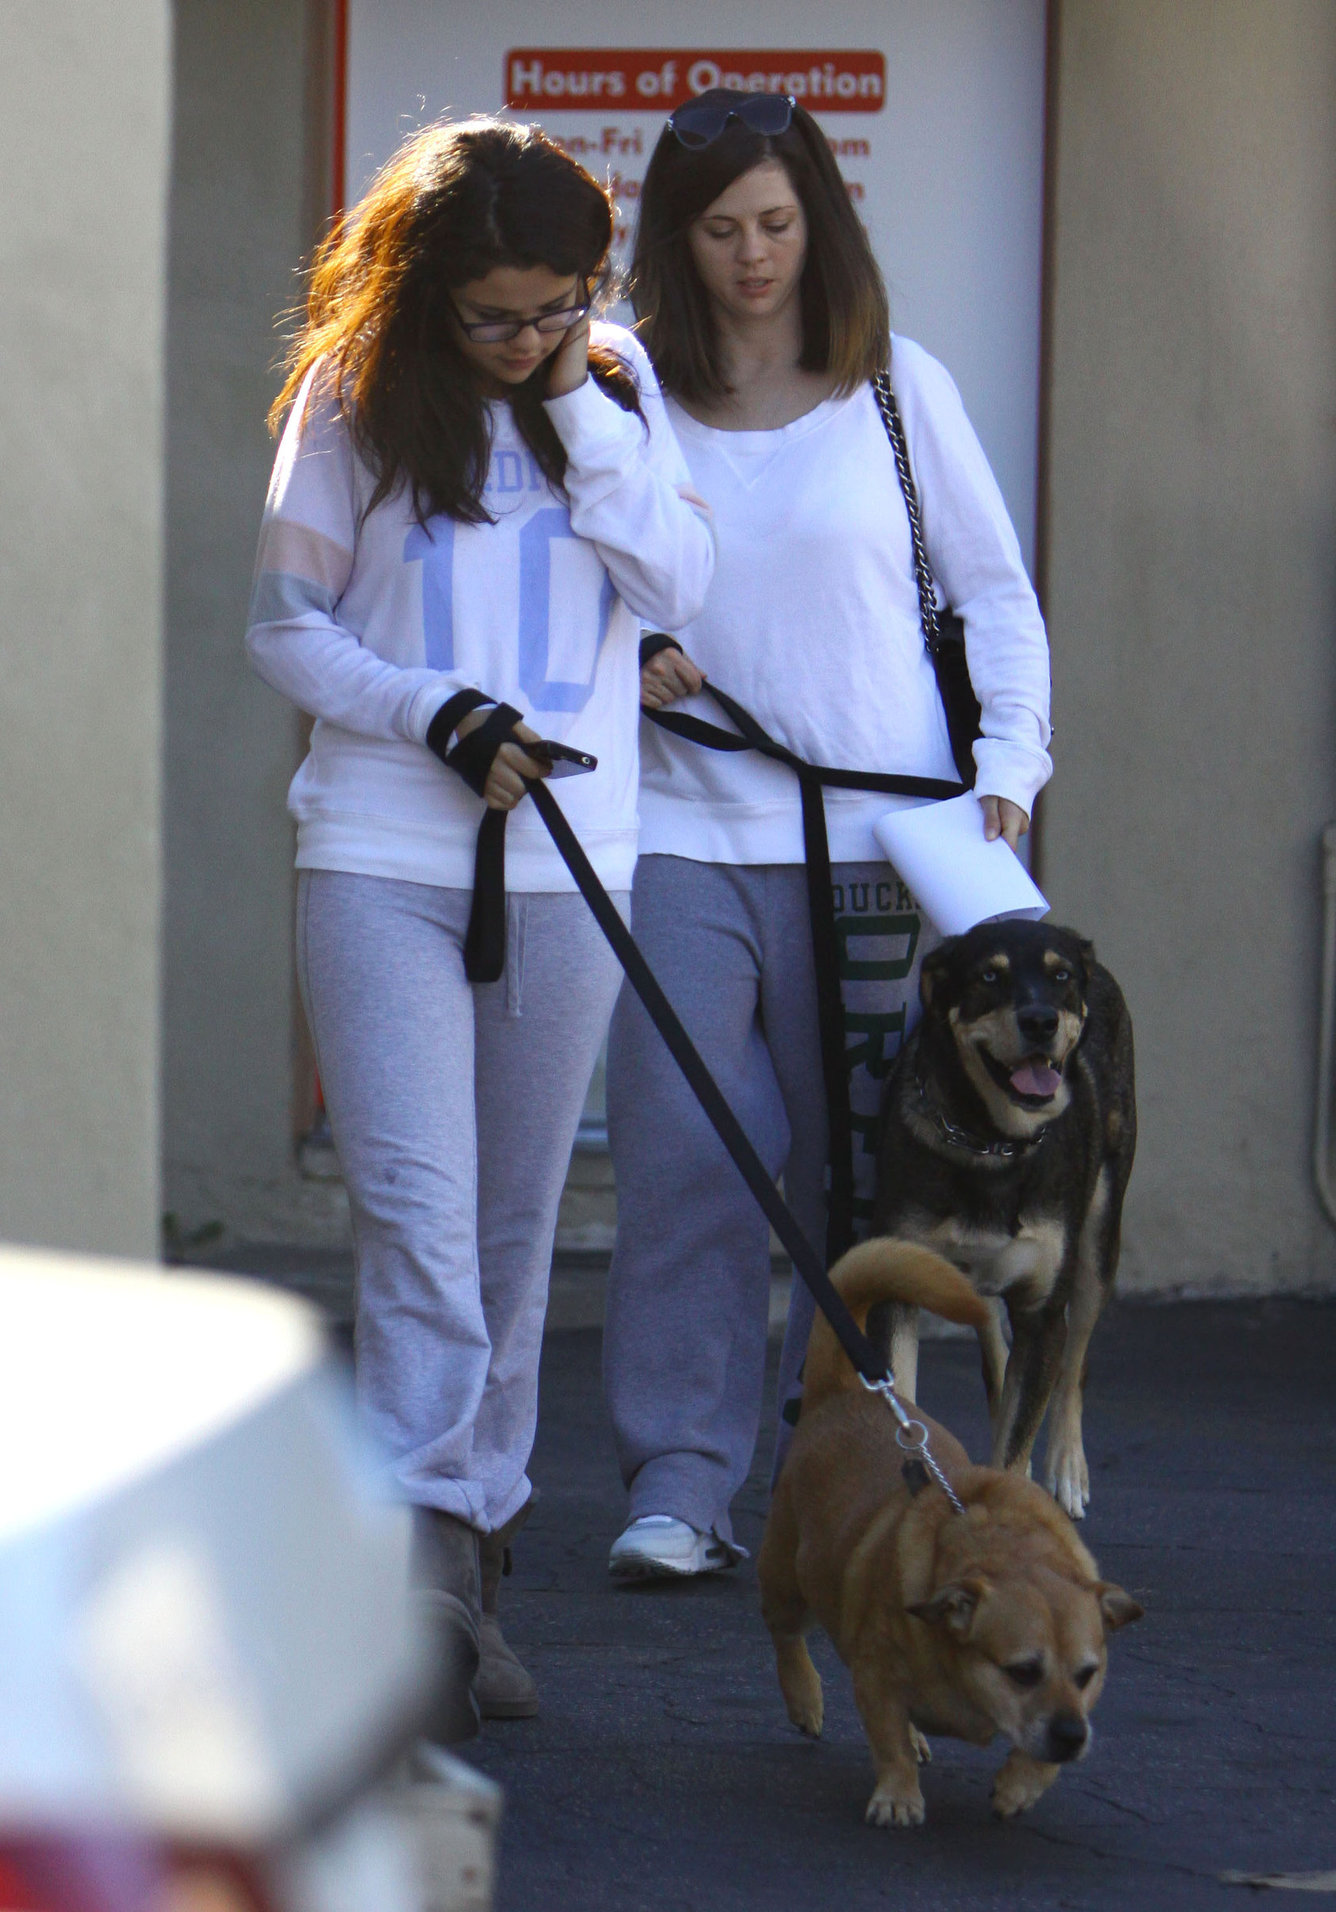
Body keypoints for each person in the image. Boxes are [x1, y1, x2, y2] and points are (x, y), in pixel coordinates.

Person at [246, 118, 713, 1734]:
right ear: (426, 287)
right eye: (495, 316)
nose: (526, 338)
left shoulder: (618, 387)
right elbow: (285, 626)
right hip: (382, 852)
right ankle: (418, 1573)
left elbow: (679, 583)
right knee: (418, 1220)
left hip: (573, 863)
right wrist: (431, 711)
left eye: (558, 304)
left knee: (511, 1241)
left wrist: (580, 399)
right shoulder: (354, 398)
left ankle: (472, 1564)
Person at [603, 91, 1051, 1579]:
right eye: (721, 229)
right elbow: (566, 577)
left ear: (821, 224)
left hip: (875, 842)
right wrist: (625, 654)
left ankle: (854, 1474)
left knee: (858, 1179)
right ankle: (680, 1484)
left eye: (779, 224)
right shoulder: (623, 392)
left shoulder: (899, 389)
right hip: (676, 828)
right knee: (683, 1156)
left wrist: (1012, 760)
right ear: (676, 240)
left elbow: (993, 594)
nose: (754, 256)